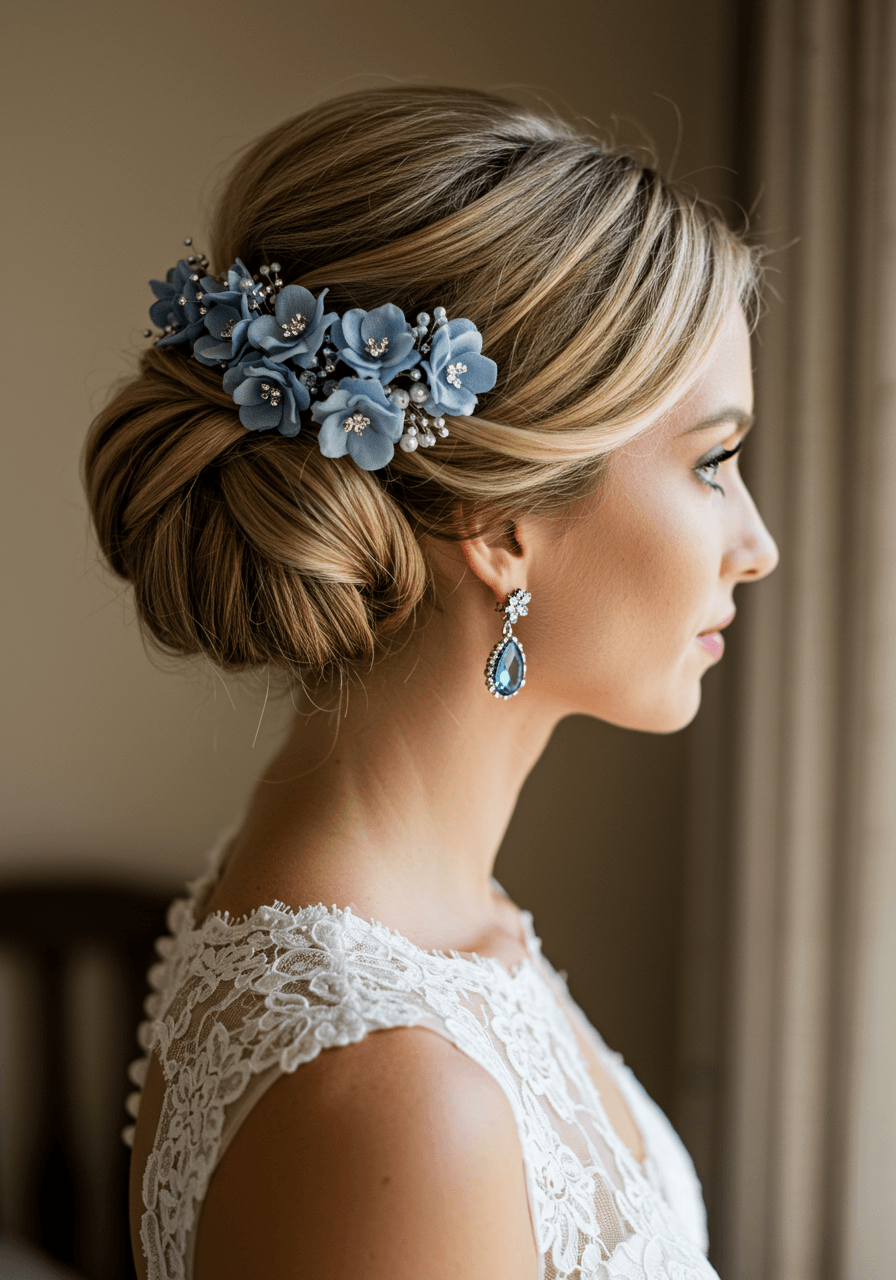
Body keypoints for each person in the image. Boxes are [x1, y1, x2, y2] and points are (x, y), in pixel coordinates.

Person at [84, 85, 778, 1280]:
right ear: (496, 520)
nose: (756, 543)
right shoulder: (399, 1093)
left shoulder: (408, 913)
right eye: (712, 461)